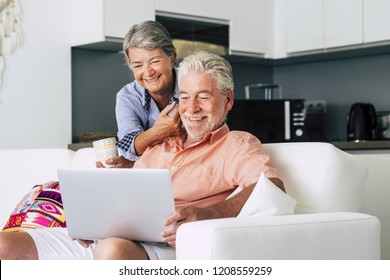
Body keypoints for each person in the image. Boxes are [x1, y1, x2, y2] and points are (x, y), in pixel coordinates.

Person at [0, 51, 284, 260]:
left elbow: (271, 188)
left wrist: (205, 214)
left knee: (112, 250)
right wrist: (94, 219)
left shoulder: (237, 144)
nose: (192, 108)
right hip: (112, 238)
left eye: (204, 96)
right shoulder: (161, 144)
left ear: (228, 100)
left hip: (168, 247)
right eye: (184, 97)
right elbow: (130, 198)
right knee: (5, 246)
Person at [106, 20, 182, 168]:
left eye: (154, 61)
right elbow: (128, 147)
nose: (148, 72)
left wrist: (140, 155)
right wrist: (158, 132)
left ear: (172, 59)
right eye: (138, 65)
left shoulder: (191, 85)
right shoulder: (127, 96)